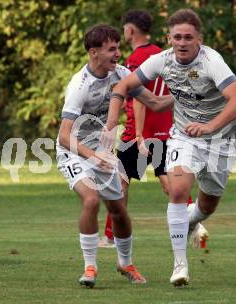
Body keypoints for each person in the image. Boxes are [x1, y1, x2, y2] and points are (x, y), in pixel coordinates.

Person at [104, 9, 236, 287]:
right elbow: (125, 84)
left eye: (188, 37)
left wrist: (209, 127)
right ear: (169, 38)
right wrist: (114, 121)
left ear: (199, 39)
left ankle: (192, 221)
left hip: (220, 138)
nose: (182, 43)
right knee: (179, 190)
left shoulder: (212, 62)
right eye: (177, 37)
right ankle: (180, 265)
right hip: (184, 137)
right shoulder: (161, 60)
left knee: (207, 206)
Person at [56, 24, 172, 288]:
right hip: (74, 151)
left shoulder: (121, 74)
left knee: (119, 210)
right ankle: (90, 267)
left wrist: (187, 95)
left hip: (100, 153)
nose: (118, 53)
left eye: (119, 47)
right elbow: (64, 135)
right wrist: (92, 156)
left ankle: (126, 263)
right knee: (91, 200)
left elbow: (154, 102)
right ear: (93, 52)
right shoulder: (79, 85)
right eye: (112, 49)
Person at [98, 9, 203, 249]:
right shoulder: (163, 53)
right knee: (169, 183)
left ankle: (112, 236)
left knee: (119, 182)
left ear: (130, 29)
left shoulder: (136, 59)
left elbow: (139, 99)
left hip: (140, 130)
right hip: (167, 127)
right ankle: (194, 221)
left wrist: (138, 134)